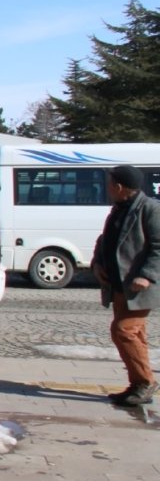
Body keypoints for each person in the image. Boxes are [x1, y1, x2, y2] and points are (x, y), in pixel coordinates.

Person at [92, 165, 160, 406]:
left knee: (123, 330)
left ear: (119, 186)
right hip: (119, 284)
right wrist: (97, 262)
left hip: (139, 286)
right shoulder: (119, 208)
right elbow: (105, 240)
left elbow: (158, 246)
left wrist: (148, 275)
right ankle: (137, 384)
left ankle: (145, 383)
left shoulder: (150, 209)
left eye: (110, 183)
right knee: (135, 334)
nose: (107, 187)